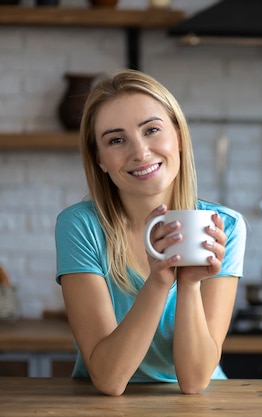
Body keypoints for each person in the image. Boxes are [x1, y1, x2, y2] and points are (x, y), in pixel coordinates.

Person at [54, 69, 247, 396]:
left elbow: (195, 381)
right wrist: (159, 280)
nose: (140, 152)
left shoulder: (224, 226)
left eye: (152, 130)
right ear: (100, 159)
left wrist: (188, 284)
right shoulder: (81, 227)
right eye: (116, 140)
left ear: (179, 137)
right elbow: (109, 380)